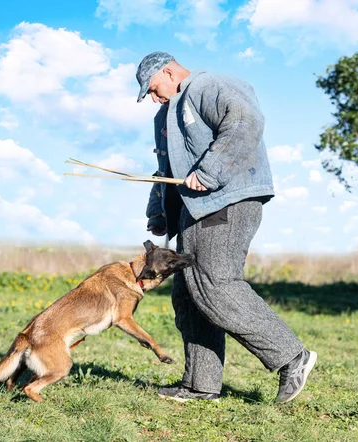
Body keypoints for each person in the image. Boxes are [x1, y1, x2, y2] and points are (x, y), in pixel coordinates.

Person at [135, 51, 317, 403]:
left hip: (227, 200)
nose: (154, 99)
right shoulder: (166, 115)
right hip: (195, 207)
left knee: (214, 282)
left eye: (154, 89)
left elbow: (246, 120)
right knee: (188, 292)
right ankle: (200, 385)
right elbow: (165, 170)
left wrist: (210, 171)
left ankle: (291, 357)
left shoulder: (209, 85)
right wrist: (159, 211)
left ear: (170, 71)